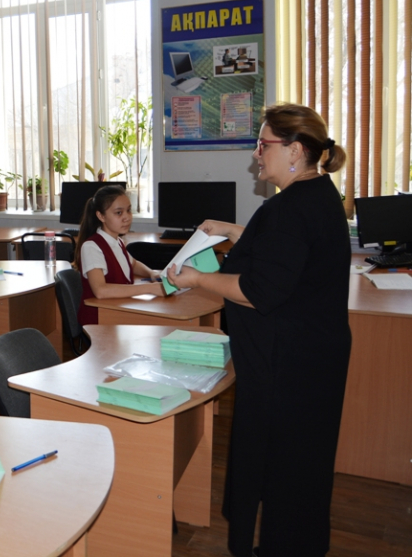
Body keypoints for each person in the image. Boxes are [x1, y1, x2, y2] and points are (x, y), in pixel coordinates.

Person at [164, 104, 350, 557]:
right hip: (316, 360)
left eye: (263, 145)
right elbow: (286, 251)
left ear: (295, 150)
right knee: (305, 466)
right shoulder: (320, 195)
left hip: (286, 368)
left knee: (281, 468)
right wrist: (232, 229)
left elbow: (257, 290)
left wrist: (197, 279)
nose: (256, 154)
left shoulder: (287, 209)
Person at [73, 184, 164, 325]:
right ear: (101, 216)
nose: (127, 217)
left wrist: (151, 273)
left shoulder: (118, 242)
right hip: (99, 320)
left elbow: (133, 264)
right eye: (119, 213)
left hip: (119, 312)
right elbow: (101, 291)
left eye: (128, 210)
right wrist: (150, 288)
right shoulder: (92, 247)